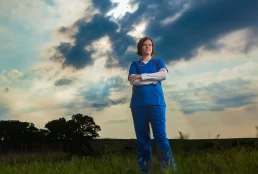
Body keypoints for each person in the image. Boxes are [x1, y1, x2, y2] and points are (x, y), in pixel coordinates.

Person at [128, 36, 177, 173]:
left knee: (161, 137)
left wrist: (142, 76)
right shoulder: (135, 65)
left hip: (156, 104)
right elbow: (133, 82)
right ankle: (146, 170)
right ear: (140, 48)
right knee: (143, 140)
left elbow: (164, 76)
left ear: (152, 48)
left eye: (150, 45)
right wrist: (153, 79)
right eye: (145, 45)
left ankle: (168, 170)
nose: (148, 47)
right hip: (138, 106)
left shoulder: (158, 62)